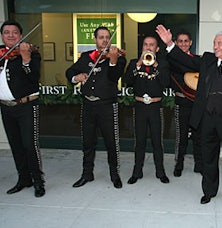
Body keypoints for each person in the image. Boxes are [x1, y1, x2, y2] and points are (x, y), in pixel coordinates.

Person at [156, 24, 222, 207]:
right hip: (207, 119)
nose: (215, 46)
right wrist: (169, 43)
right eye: (215, 43)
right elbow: (186, 60)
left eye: (219, 44)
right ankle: (209, 191)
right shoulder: (207, 60)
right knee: (208, 158)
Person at [66, 26, 126, 189]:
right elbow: (70, 71)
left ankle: (115, 175)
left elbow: (114, 77)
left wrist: (113, 61)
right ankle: (87, 174)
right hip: (88, 105)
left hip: (106, 105)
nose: (105, 40)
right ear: (95, 39)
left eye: (107, 37)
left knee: (111, 142)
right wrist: (75, 77)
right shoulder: (86, 57)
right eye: (101, 37)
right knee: (88, 142)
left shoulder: (118, 57)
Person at [0, 20, 45, 197]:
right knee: (16, 145)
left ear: (20, 35)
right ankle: (23, 179)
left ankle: (38, 181)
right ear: (2, 35)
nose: (10, 35)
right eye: (6, 32)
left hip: (26, 106)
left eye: (14, 32)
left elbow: (34, 77)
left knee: (29, 144)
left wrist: (25, 59)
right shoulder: (2, 54)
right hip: (6, 107)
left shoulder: (31, 54)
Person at [124, 35, 170, 184]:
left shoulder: (162, 64)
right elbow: (127, 82)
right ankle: (137, 172)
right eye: (145, 45)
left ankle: (160, 171)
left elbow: (166, 82)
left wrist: (155, 64)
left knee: (157, 141)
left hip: (156, 107)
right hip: (140, 107)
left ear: (157, 48)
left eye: (151, 45)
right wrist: (138, 64)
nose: (148, 47)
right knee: (140, 141)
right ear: (142, 47)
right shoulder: (133, 63)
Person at [167, 30, 202, 177]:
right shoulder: (171, 60)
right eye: (180, 41)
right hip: (182, 102)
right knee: (181, 136)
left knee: (198, 135)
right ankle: (179, 164)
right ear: (176, 43)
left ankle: (199, 164)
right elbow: (183, 68)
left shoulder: (197, 59)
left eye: (186, 41)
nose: (183, 44)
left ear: (191, 43)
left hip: (197, 104)